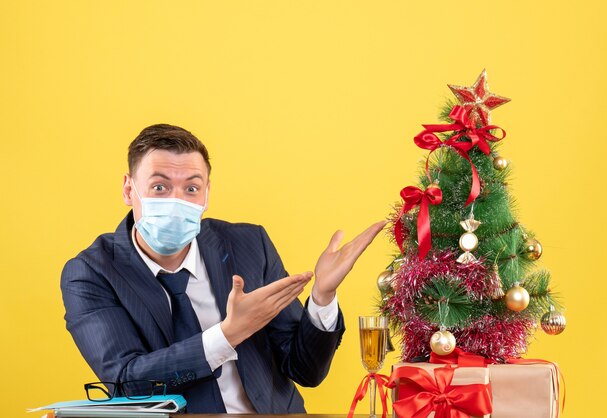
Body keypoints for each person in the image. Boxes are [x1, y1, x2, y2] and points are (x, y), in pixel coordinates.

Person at [61, 124, 385, 414]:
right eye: (160, 187)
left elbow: (305, 370)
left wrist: (322, 298)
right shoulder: (91, 273)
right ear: (129, 189)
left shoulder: (248, 244)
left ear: (207, 194)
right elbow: (128, 380)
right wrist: (227, 335)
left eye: (191, 188)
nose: (177, 200)